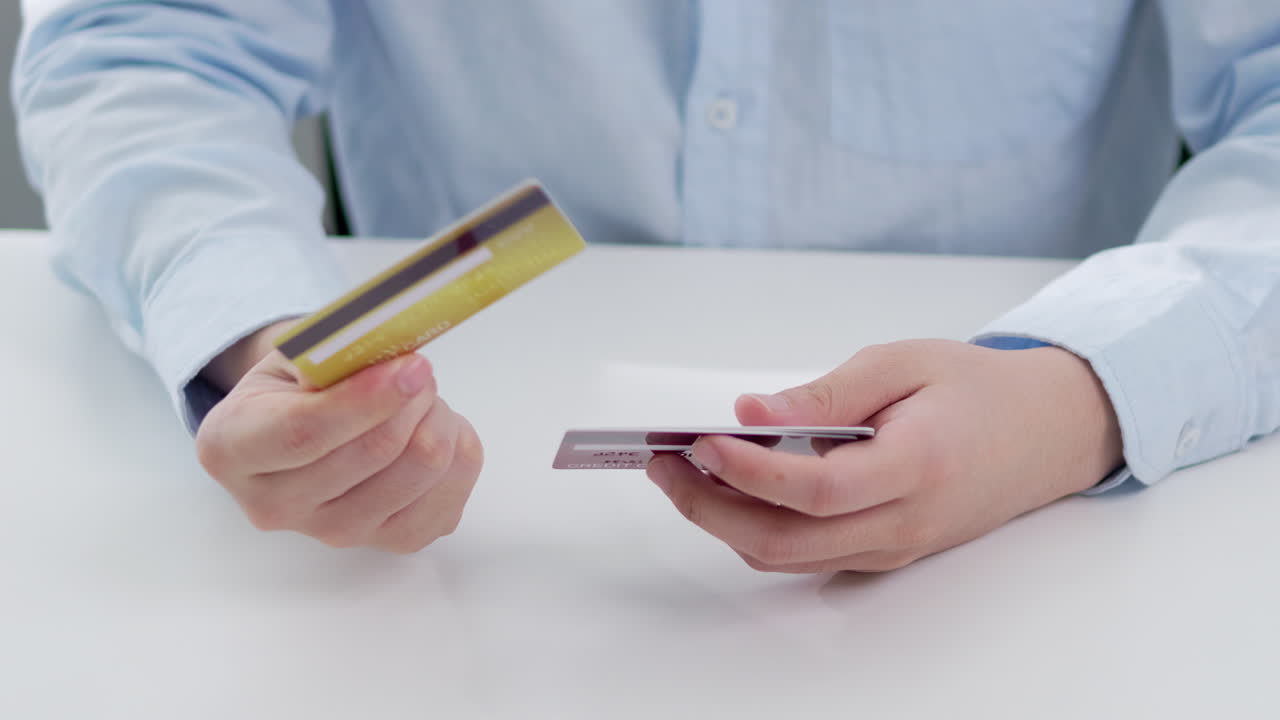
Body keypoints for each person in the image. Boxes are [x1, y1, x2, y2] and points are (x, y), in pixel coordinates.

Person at [12, 1, 1280, 571]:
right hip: (435, 546)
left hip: (1049, 548)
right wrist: (260, 346)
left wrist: (1077, 397)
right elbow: (148, 38)